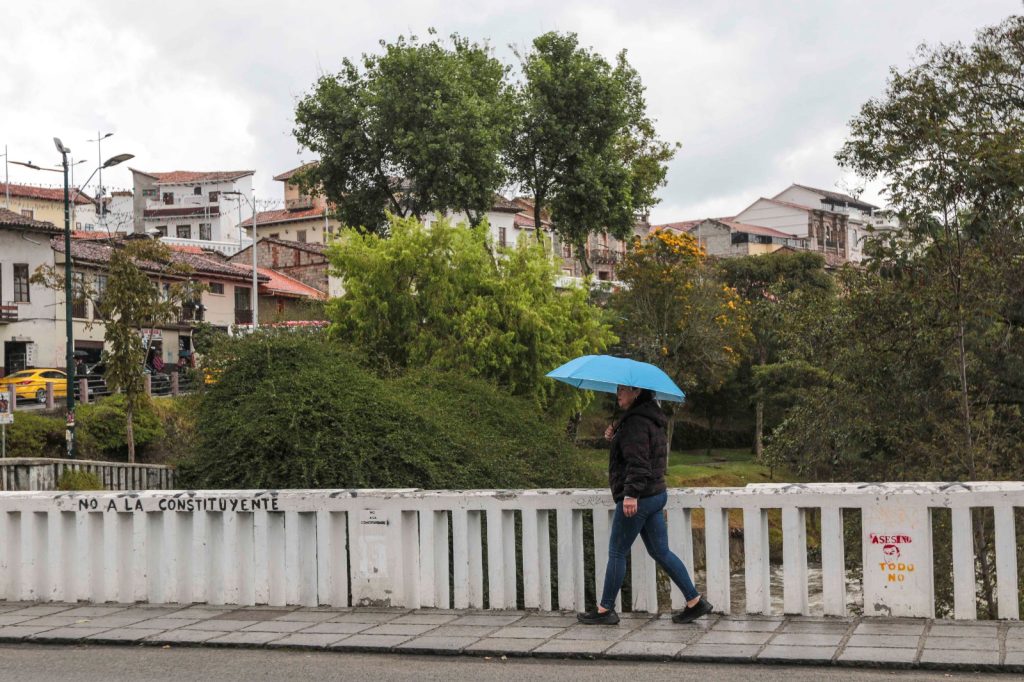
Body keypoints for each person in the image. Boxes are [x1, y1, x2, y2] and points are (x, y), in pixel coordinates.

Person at [577, 385, 713, 625]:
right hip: (655, 494)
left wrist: (630, 495)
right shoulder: (649, 418)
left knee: (617, 552)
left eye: (623, 389)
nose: (618, 393)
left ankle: (604, 610)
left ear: (637, 391)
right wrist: (616, 434)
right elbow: (641, 452)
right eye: (618, 389)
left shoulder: (635, 423)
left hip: (639, 498)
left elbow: (639, 464)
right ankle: (695, 601)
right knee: (661, 551)